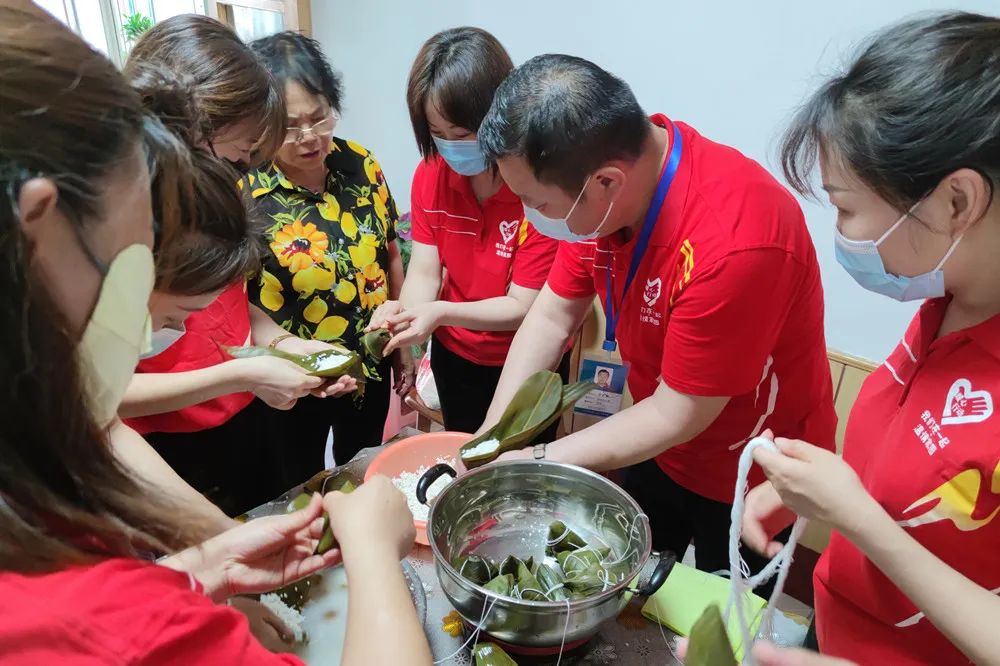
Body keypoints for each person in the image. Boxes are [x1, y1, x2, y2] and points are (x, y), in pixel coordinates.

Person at [0, 6, 431, 664]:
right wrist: (373, 548)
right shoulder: (92, 611)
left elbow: (96, 420)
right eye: (139, 254)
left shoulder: (44, 437)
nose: (153, 324)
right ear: (39, 223)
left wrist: (203, 561)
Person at [475, 54, 835, 578]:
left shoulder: (735, 241)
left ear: (606, 182)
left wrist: (536, 461)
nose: (535, 217)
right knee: (632, 576)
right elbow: (553, 315)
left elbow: (680, 413)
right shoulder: (604, 194)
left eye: (537, 203)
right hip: (657, 436)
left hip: (754, 469)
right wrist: (492, 438)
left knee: (726, 609)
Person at [742, 13, 1000, 666]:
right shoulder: (950, 300)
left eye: (846, 207)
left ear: (957, 202)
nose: (844, 234)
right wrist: (813, 494)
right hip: (838, 628)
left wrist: (856, 517)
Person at [122, 18, 355, 511]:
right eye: (244, 148)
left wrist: (289, 347)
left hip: (245, 417)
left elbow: (231, 310)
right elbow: (97, 395)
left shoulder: (222, 191)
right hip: (167, 438)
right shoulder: (125, 225)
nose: (245, 165)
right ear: (195, 127)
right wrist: (242, 375)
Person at [369, 27, 567, 435]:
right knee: (463, 450)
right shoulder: (431, 174)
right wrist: (403, 315)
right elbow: (425, 271)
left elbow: (522, 306)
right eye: (437, 135)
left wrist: (441, 312)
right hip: (455, 356)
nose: (450, 147)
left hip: (527, 357)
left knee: (519, 462)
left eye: (461, 134)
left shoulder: (534, 186)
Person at [245, 32, 407, 472]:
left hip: (367, 364)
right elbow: (234, 302)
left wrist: (401, 348)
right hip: (291, 376)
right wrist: (290, 354)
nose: (309, 138)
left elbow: (390, 254)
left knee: (360, 469)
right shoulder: (244, 191)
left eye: (319, 119)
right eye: (289, 127)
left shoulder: (362, 164)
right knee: (296, 481)